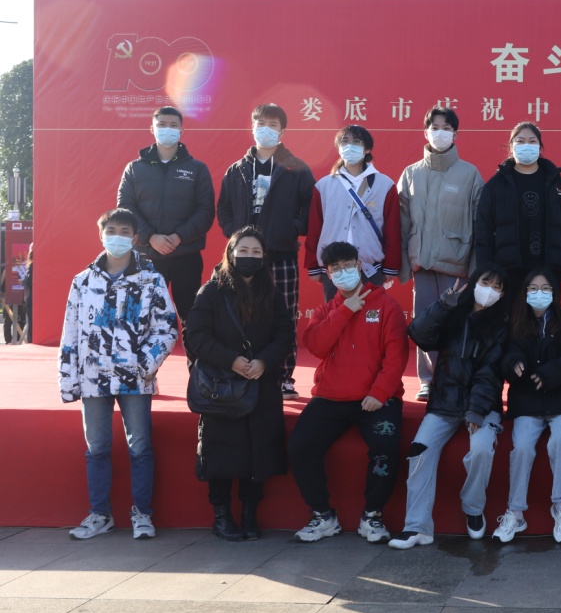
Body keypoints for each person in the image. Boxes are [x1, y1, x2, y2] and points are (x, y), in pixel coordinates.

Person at [59, 208, 178, 540]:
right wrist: (69, 380)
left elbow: (167, 328)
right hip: (93, 378)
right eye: (111, 230)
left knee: (139, 447)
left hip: (135, 379)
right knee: (97, 447)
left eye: (124, 231)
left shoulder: (151, 278)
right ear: (101, 235)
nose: (117, 237)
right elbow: (70, 333)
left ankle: (142, 514)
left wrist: (144, 365)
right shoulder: (83, 281)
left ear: (135, 238)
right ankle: (100, 515)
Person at [288, 241, 409, 544]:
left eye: (348, 265)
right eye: (336, 268)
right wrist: (345, 310)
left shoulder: (387, 306)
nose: (344, 272)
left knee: (386, 450)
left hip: (376, 398)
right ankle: (323, 516)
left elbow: (396, 356)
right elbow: (316, 345)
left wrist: (379, 393)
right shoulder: (325, 311)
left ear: (359, 265)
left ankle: (372, 516)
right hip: (331, 397)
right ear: (328, 274)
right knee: (300, 446)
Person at [183, 227, 293, 541]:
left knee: (259, 452)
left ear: (264, 257)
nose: (249, 257)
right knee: (220, 452)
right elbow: (196, 336)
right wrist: (231, 360)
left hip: (261, 383)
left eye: (256, 252)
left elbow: (284, 334)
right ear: (230, 253)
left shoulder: (272, 292)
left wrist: (263, 362)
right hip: (222, 385)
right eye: (243, 250)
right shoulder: (211, 291)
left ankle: (249, 514)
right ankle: (221, 516)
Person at [391, 265, 509, 549]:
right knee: (420, 451)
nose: (490, 291)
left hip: (483, 406)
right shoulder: (453, 311)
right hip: (444, 401)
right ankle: (417, 527)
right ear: (474, 283)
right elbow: (419, 334)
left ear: (503, 294)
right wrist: (443, 305)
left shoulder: (502, 324)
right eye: (486, 283)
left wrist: (476, 410)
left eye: (497, 287)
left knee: (482, 448)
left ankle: (473, 507)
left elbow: (490, 372)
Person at [217, 103, 316, 399]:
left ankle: (283, 376)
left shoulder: (296, 168)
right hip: (243, 257)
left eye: (273, 125)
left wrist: (289, 228)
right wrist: (233, 233)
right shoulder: (237, 169)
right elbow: (223, 208)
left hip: (280, 253)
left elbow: (310, 208)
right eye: (261, 124)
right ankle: (243, 371)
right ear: (252, 127)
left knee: (283, 315)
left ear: (282, 131)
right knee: (241, 314)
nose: (266, 129)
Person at [491, 268, 561, 544]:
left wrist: (549, 374)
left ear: (555, 292)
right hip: (528, 400)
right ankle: (515, 512)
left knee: (560, 442)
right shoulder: (516, 322)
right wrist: (514, 364)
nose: (538, 294)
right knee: (521, 447)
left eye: (545, 288)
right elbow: (508, 353)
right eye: (533, 288)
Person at [399, 107, 484, 400]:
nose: (440, 133)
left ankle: (455, 377)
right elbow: (401, 222)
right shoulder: (411, 173)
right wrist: (403, 265)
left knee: (456, 323)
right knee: (425, 321)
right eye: (434, 127)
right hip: (422, 263)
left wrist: (475, 269)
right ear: (426, 132)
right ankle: (428, 379)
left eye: (446, 128)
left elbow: (480, 223)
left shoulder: (470, 174)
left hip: (456, 264)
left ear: (455, 134)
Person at [116, 106, 216, 324]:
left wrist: (179, 236)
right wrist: (150, 237)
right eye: (161, 125)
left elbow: (206, 210)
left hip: (186, 255)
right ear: (152, 129)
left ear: (181, 130)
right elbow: (125, 208)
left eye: (173, 125)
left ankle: (193, 349)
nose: (167, 129)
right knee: (141, 317)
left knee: (192, 317)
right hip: (146, 255)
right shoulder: (134, 169)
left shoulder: (197, 169)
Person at [475, 122, 561, 289]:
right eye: (520, 141)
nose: (526, 145)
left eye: (532, 141)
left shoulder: (555, 182)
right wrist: (485, 269)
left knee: (546, 306)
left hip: (548, 268)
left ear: (540, 146)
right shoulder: (497, 184)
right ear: (511, 146)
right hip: (508, 270)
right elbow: (483, 229)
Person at [305, 125, 400, 302]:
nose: (350, 146)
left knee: (371, 316)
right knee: (336, 316)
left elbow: (392, 229)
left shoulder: (385, 185)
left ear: (367, 149)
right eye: (345, 141)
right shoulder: (323, 186)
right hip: (334, 268)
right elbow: (315, 228)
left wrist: (391, 266)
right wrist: (313, 266)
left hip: (370, 268)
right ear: (338, 148)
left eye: (357, 142)